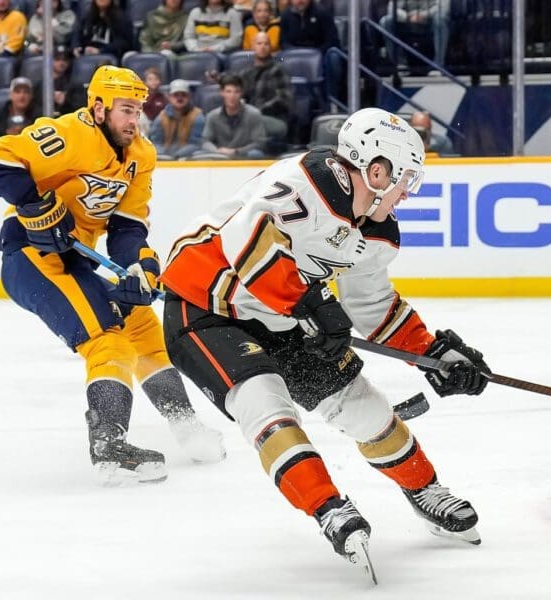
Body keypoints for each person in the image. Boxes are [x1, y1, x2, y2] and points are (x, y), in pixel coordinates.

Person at [158, 107, 488, 570]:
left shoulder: (378, 232)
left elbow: (372, 306)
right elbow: (248, 243)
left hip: (286, 318)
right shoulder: (303, 182)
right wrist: (309, 304)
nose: (406, 194)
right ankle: (328, 507)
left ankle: (424, 488)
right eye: (405, 180)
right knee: (265, 404)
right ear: (377, 169)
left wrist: (433, 353)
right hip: (208, 310)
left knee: (365, 408)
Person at [0, 66, 225, 486]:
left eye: (139, 110)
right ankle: (108, 442)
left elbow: (127, 227)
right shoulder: (70, 135)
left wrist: (141, 266)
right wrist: (35, 206)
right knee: (107, 339)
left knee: (143, 326)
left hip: (76, 259)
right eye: (126, 110)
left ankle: (185, 424)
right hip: (30, 256)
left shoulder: (141, 155)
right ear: (98, 107)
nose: (135, 120)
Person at [238, 31, 292, 152]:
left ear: (270, 47)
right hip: (251, 119)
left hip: (274, 119)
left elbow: (284, 99)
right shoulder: (246, 73)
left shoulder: (278, 71)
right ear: (252, 46)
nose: (262, 47)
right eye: (259, 43)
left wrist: (258, 111)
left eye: (266, 44)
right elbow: (237, 94)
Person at [198, 73, 267, 158]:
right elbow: (205, 141)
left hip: (244, 156)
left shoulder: (253, 114)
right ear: (222, 93)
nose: (232, 96)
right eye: (228, 91)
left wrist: (236, 151)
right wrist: (217, 151)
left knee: (256, 154)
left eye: (236, 92)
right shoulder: (212, 116)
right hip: (219, 157)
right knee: (198, 154)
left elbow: (260, 143)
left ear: (241, 93)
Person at [379, 0, 450, 69]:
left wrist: (423, 15)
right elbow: (391, 9)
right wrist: (407, 16)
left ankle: (438, 65)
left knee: (440, 19)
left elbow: (442, 7)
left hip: (430, 22)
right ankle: (400, 64)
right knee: (386, 21)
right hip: (406, 21)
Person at [149, 79, 205, 159]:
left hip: (189, 158)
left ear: (189, 97)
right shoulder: (161, 117)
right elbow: (155, 142)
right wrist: (165, 156)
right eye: (176, 95)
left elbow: (196, 143)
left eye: (183, 95)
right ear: (169, 97)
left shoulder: (197, 116)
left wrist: (176, 156)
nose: (179, 98)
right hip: (164, 158)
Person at [0, 77, 41, 146]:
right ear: (11, 95)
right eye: (17, 92)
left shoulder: (39, 117)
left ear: (31, 96)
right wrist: (6, 135)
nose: (22, 96)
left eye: (26, 92)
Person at [73, 0, 137, 61]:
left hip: (110, 56)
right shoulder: (87, 17)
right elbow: (77, 34)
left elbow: (124, 44)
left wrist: (100, 51)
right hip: (88, 56)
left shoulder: (122, 18)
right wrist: (77, 47)